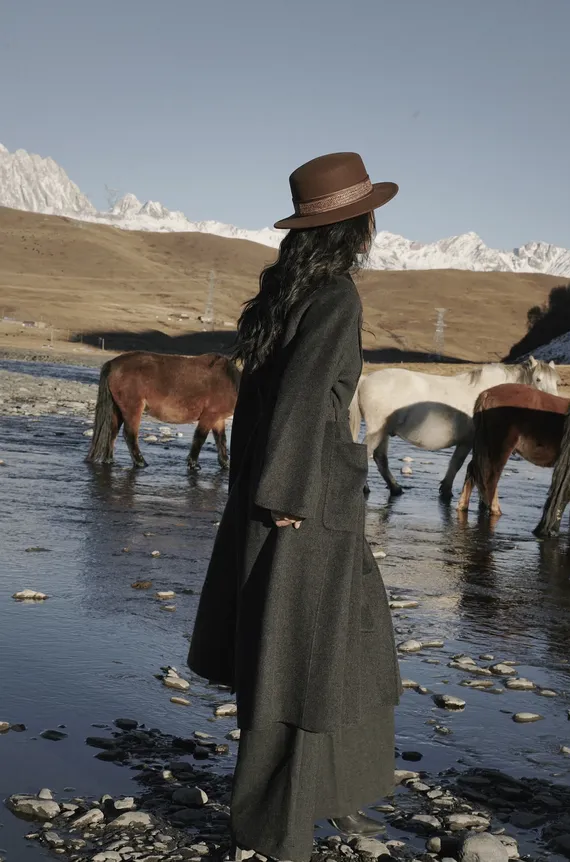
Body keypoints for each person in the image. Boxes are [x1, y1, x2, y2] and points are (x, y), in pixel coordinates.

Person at [187, 151, 402, 862]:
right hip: (304, 504)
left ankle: (320, 801)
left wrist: (262, 487)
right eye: (370, 214)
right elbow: (308, 399)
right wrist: (287, 494)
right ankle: (280, 825)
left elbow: (268, 400)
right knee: (311, 660)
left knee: (295, 654)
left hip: (277, 494)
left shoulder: (288, 290)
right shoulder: (336, 295)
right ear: (358, 224)